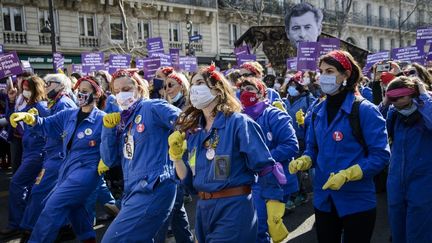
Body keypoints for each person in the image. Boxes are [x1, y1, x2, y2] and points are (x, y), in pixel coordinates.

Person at [169, 65, 287, 243]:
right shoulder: (195, 132)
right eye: (192, 84)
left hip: (234, 208)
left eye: (200, 82)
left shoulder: (239, 123)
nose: (194, 89)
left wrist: (274, 203)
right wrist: (177, 159)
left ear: (217, 89)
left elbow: (264, 166)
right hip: (203, 210)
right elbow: (191, 184)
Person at [289, 50, 390, 243]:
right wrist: (305, 160)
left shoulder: (365, 110)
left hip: (357, 200)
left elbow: (381, 156)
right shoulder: (317, 111)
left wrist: (350, 173)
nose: (323, 76)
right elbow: (313, 148)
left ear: (346, 75)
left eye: (330, 71)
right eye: (321, 71)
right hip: (324, 199)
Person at [11, 76, 106, 243]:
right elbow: (46, 124)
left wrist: (108, 160)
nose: (80, 95)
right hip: (66, 168)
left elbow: (116, 146)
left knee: (52, 205)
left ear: (96, 94)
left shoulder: (102, 119)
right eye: (78, 91)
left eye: (85, 92)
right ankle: (88, 238)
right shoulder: (68, 114)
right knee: (75, 207)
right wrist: (31, 119)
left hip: (87, 171)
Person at [98, 69, 181, 242]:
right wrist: (107, 130)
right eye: (117, 91)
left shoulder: (152, 106)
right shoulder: (123, 122)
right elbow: (109, 160)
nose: (122, 94)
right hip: (132, 191)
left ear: (139, 89)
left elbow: (186, 121)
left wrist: (180, 139)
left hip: (154, 187)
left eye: (127, 88)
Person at [238, 76, 299, 243]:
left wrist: (262, 158)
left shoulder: (274, 115)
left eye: (250, 89)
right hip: (249, 181)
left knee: (262, 228)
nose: (245, 93)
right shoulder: (239, 117)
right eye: (242, 90)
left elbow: (291, 145)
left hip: (273, 182)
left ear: (262, 93)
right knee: (255, 228)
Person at [19, 74, 77, 239]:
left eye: (48, 83)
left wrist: (39, 124)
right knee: (55, 194)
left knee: (40, 190)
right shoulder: (58, 102)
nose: (44, 86)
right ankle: (64, 226)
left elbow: (63, 131)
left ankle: (30, 229)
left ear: (59, 85)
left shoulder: (64, 103)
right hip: (53, 154)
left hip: (58, 156)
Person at [0, 75, 49, 239]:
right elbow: (11, 118)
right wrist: (12, 101)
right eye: (24, 89)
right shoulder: (30, 105)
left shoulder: (41, 107)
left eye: (28, 89)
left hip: (37, 153)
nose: (25, 91)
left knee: (17, 183)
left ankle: (18, 224)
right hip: (28, 151)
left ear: (36, 89)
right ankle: (26, 222)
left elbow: (50, 129)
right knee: (28, 188)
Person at [385, 76, 432, 243]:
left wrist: (424, 97)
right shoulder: (393, 113)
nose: (397, 102)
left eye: (400, 97)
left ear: (413, 94)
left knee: (418, 233)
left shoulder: (426, 108)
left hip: (423, 182)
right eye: (393, 98)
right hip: (396, 181)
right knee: (398, 230)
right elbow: (376, 129)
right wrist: (385, 104)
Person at [155, 70, 194, 243]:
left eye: (171, 85)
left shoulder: (190, 106)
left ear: (183, 87)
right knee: (177, 209)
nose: (167, 89)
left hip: (182, 160)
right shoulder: (163, 106)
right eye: (164, 86)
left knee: (169, 207)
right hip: (168, 160)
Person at [282, 71, 316, 207]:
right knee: (292, 168)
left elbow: (314, 119)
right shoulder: (284, 100)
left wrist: (304, 122)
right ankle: (299, 192)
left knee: (298, 168)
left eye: (295, 85)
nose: (292, 88)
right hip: (288, 138)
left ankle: (297, 194)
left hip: (302, 138)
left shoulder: (309, 99)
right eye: (290, 85)